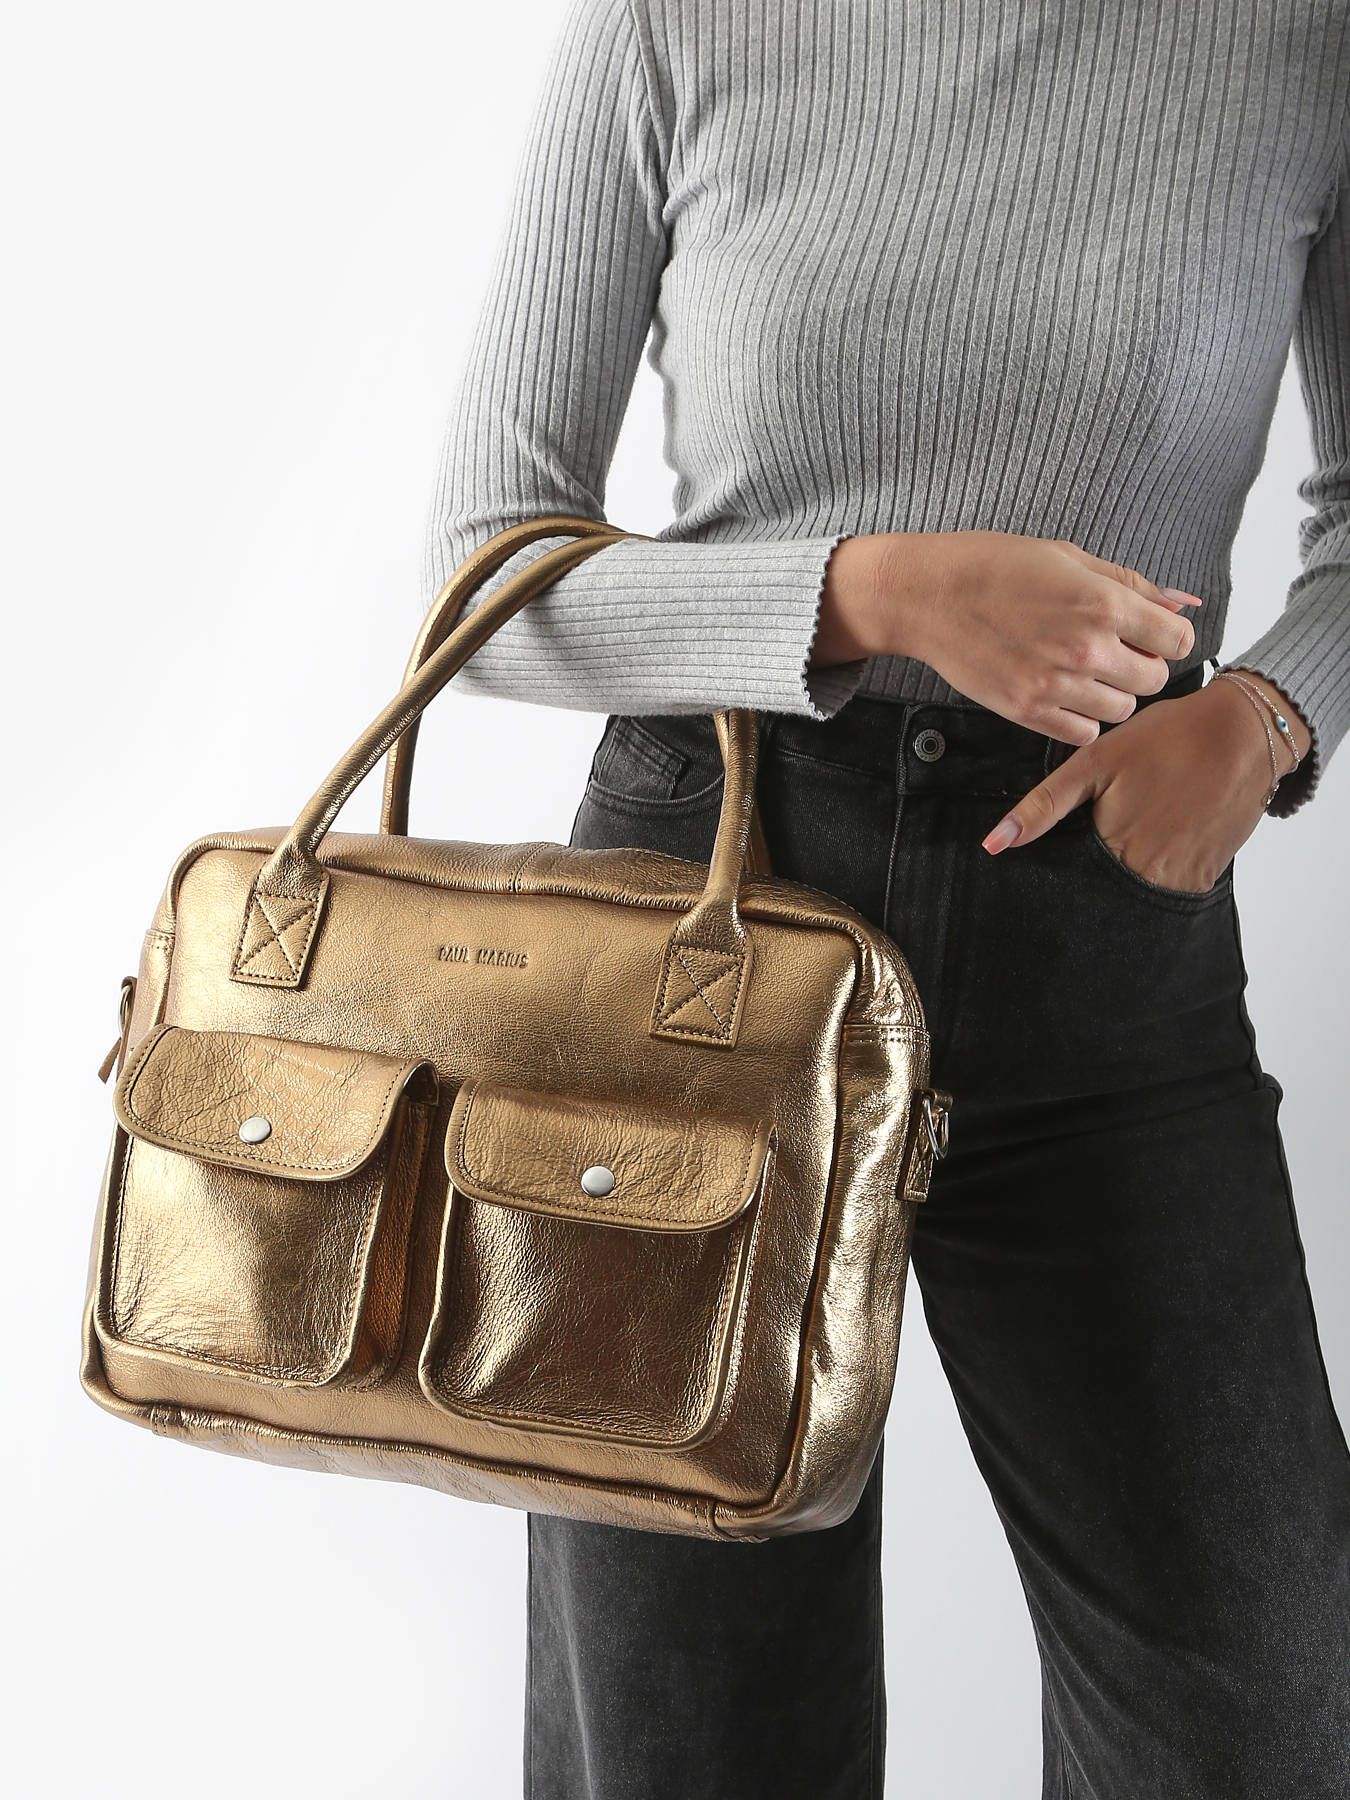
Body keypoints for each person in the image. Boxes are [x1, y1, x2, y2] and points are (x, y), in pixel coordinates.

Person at [421, 2, 1350, 1794]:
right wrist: (877, 592)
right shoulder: (669, 25)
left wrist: (1264, 713)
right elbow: (484, 573)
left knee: (1265, 1711)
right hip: (701, 928)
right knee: (690, 1740)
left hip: (1098, 928)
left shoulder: (1297, 41)